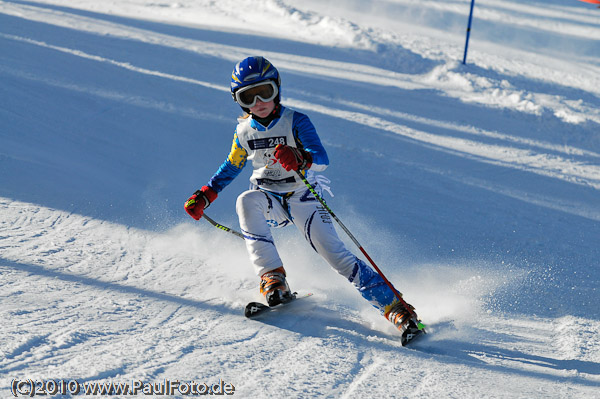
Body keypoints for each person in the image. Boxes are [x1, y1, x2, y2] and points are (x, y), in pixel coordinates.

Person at [184, 56, 419, 335]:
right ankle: (272, 278)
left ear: (278, 89)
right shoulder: (244, 131)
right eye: (249, 96)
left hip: (302, 196)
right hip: (268, 197)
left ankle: (397, 310)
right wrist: (206, 194)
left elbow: (322, 158)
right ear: (239, 101)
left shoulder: (295, 121)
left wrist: (301, 157)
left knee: (336, 256)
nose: (259, 101)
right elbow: (232, 165)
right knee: (246, 201)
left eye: (265, 92)